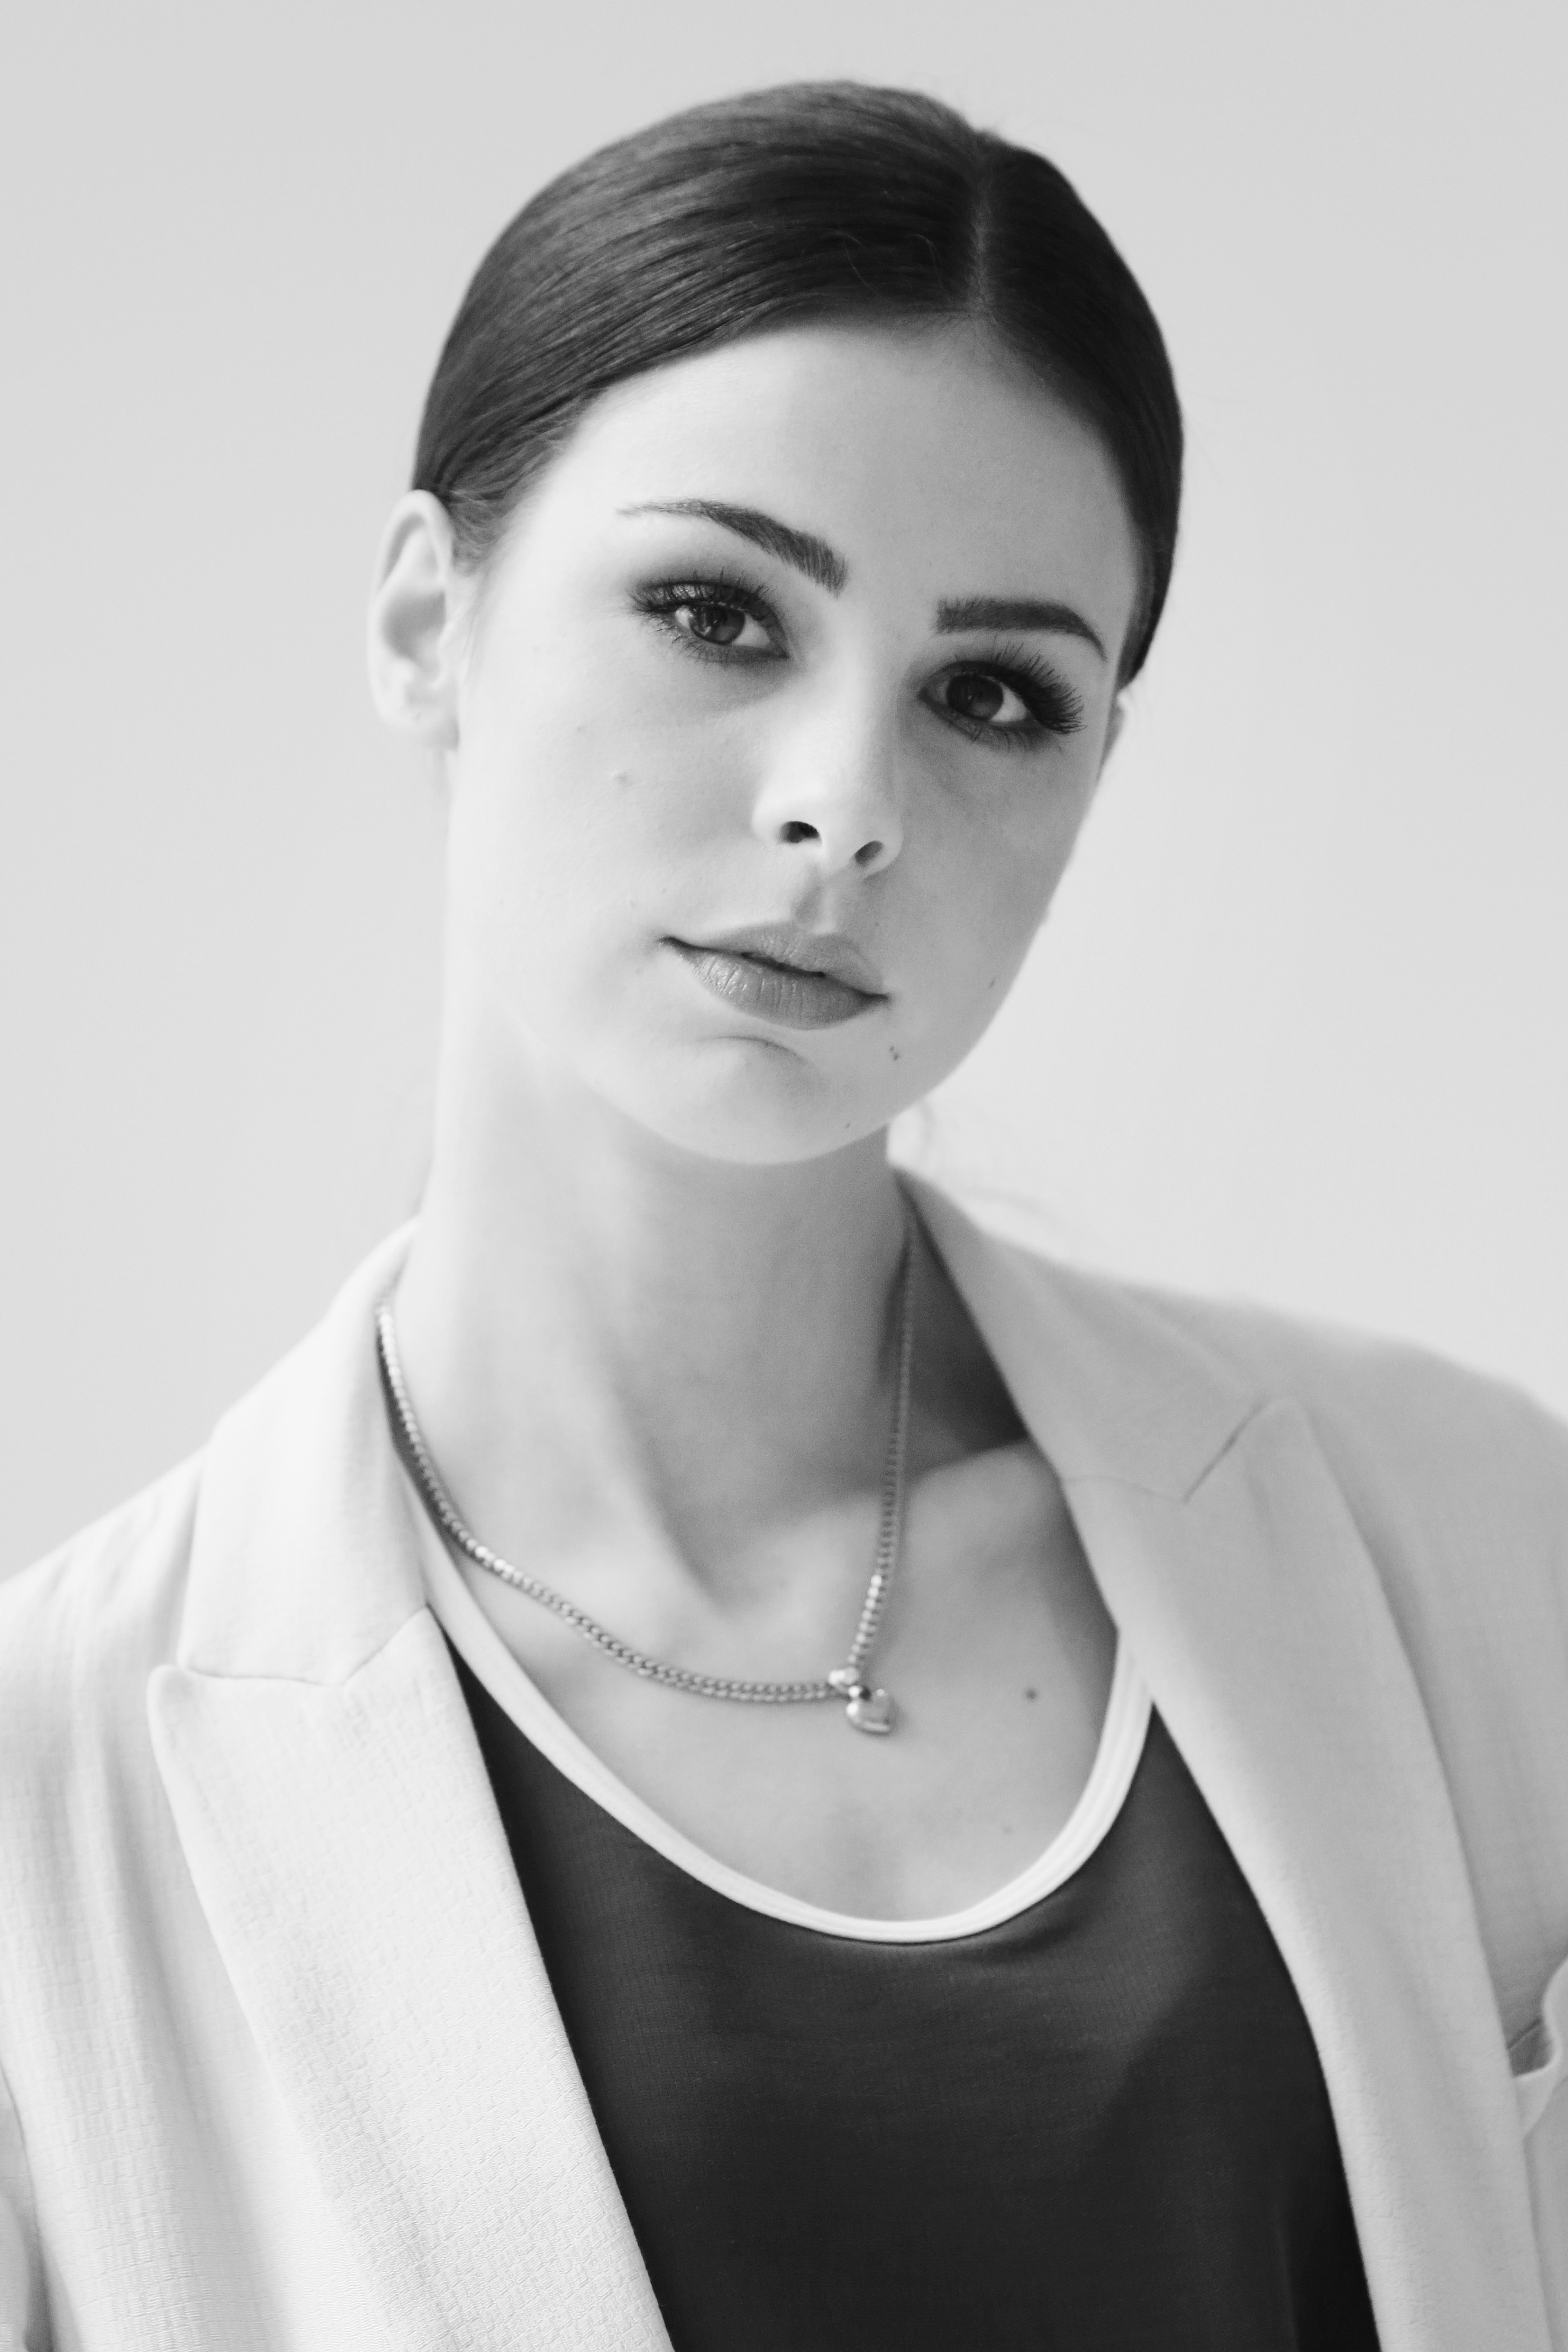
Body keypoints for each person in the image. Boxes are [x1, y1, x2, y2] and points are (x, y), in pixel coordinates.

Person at [0, 79, 1564, 2352]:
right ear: (429, 619)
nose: (845, 805)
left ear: (1093, 775)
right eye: (716, 612)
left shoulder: (1479, 1557)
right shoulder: (49, 1798)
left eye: (991, 694)